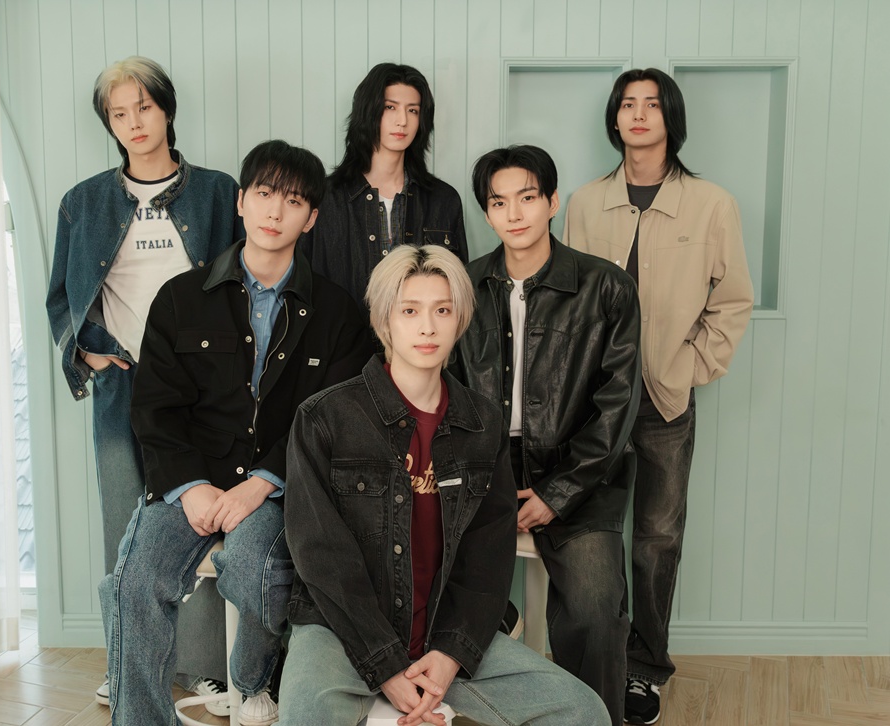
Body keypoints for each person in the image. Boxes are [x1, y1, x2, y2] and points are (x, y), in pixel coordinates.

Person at [98, 139, 372, 726]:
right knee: (133, 583)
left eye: (293, 201)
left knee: (255, 568)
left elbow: (330, 418)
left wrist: (264, 482)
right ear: (242, 201)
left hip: (278, 486)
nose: (276, 211)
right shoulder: (181, 297)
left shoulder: (338, 313)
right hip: (190, 478)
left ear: (311, 217)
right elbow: (155, 408)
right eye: (266, 194)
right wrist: (190, 486)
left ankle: (252, 681)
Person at [280, 245, 610, 726]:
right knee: (305, 717)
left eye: (442, 310)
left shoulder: (483, 424)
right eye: (410, 311)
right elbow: (321, 556)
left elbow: (488, 556)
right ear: (384, 321)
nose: (428, 327)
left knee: (584, 711)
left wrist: (452, 653)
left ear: (460, 321)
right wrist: (385, 664)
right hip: (344, 632)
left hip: (444, 632)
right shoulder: (324, 418)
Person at [44, 55, 242, 710]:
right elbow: (61, 298)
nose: (134, 122)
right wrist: (91, 353)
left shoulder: (217, 193)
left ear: (167, 110)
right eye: (119, 113)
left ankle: (204, 664)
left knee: (202, 518)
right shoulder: (83, 203)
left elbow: (243, 282)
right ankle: (128, 662)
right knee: (127, 527)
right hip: (123, 387)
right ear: (109, 123)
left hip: (203, 389)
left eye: (144, 107)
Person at [563, 68, 754, 725]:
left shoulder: (712, 204)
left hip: (665, 400)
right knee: (590, 535)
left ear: (671, 117)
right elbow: (569, 299)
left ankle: (644, 670)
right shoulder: (585, 203)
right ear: (614, 118)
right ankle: (596, 664)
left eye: (651, 104)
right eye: (627, 104)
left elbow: (732, 301)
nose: (638, 114)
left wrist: (691, 366)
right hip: (592, 402)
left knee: (656, 539)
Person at [454, 145, 642, 725]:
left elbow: (616, 407)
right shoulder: (463, 287)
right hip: (484, 466)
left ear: (553, 202)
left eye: (528, 197)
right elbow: (444, 394)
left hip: (579, 471)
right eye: (498, 202)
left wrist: (558, 494)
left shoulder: (606, 287)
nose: (514, 214)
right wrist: (481, 482)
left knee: (594, 606)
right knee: (429, 582)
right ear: (487, 212)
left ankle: (593, 717)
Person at [300, 62, 468, 320]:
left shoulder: (443, 200)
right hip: (342, 342)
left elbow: (460, 293)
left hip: (423, 341)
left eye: (413, 110)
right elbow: (302, 285)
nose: (402, 121)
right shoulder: (325, 198)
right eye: (390, 107)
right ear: (368, 111)